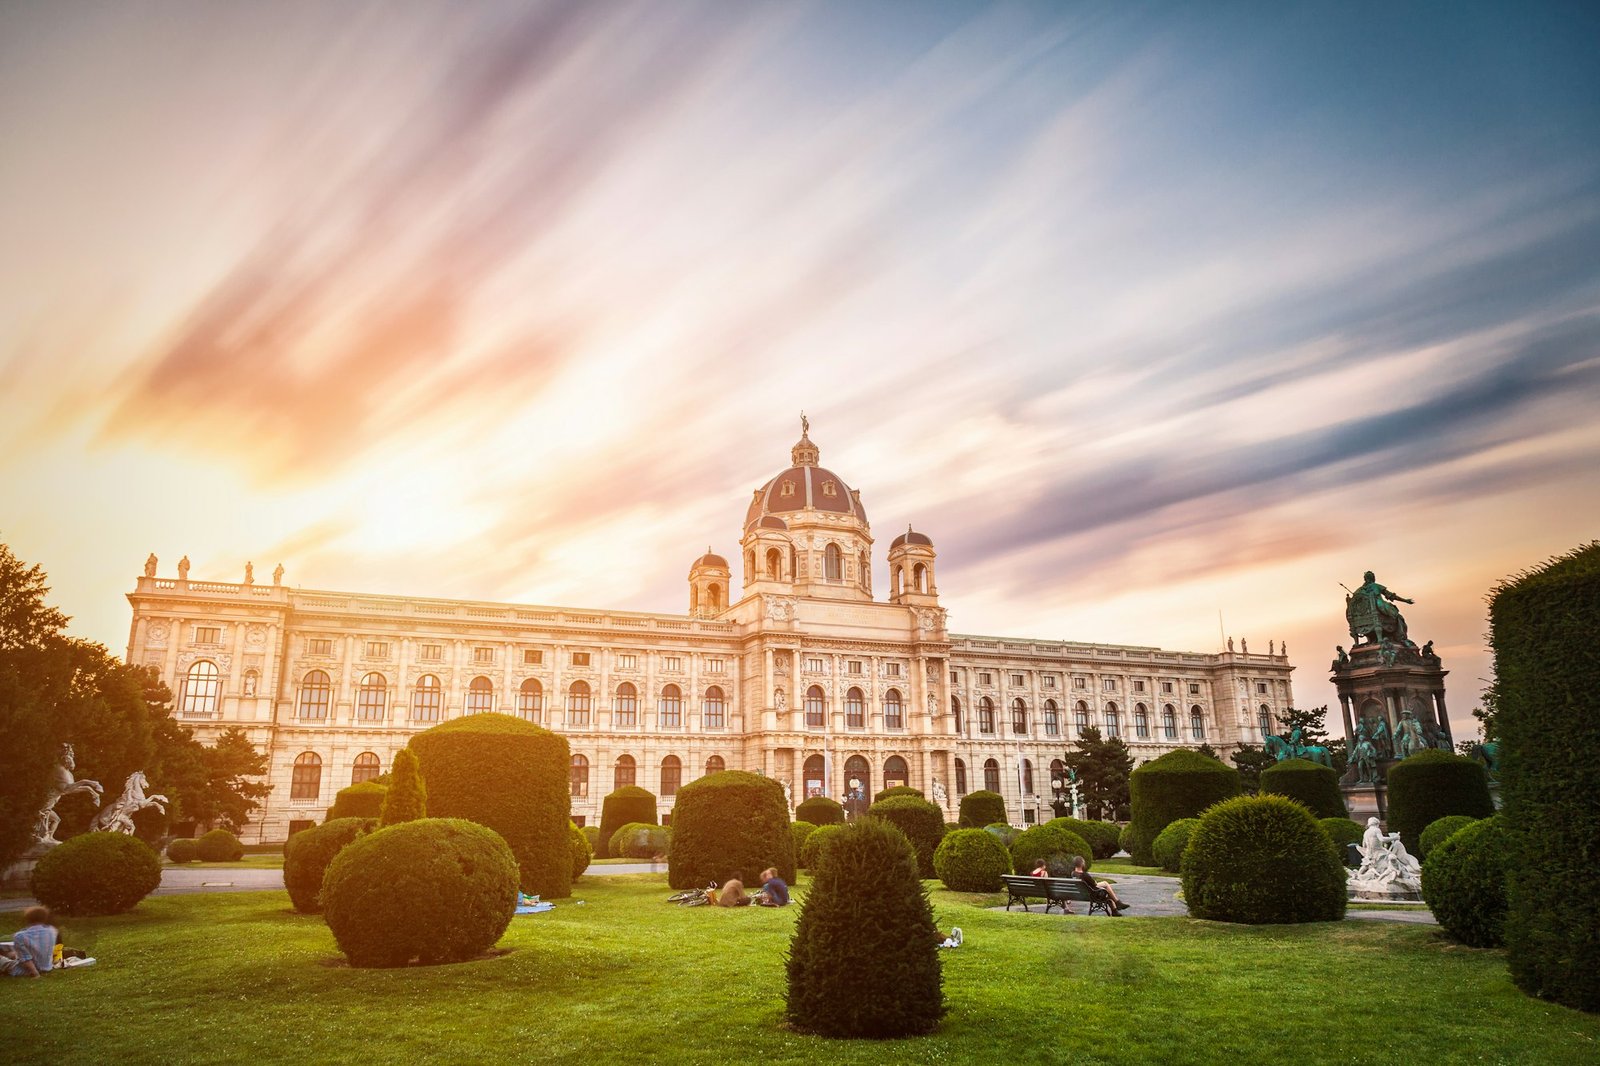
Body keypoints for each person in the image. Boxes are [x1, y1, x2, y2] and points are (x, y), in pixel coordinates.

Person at [10, 907, 59, 977]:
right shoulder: (52, 931)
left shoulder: (20, 936)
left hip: (25, 970)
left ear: (28, 919)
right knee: (10, 954)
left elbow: (25, 959)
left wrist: (36, 974)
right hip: (47, 967)